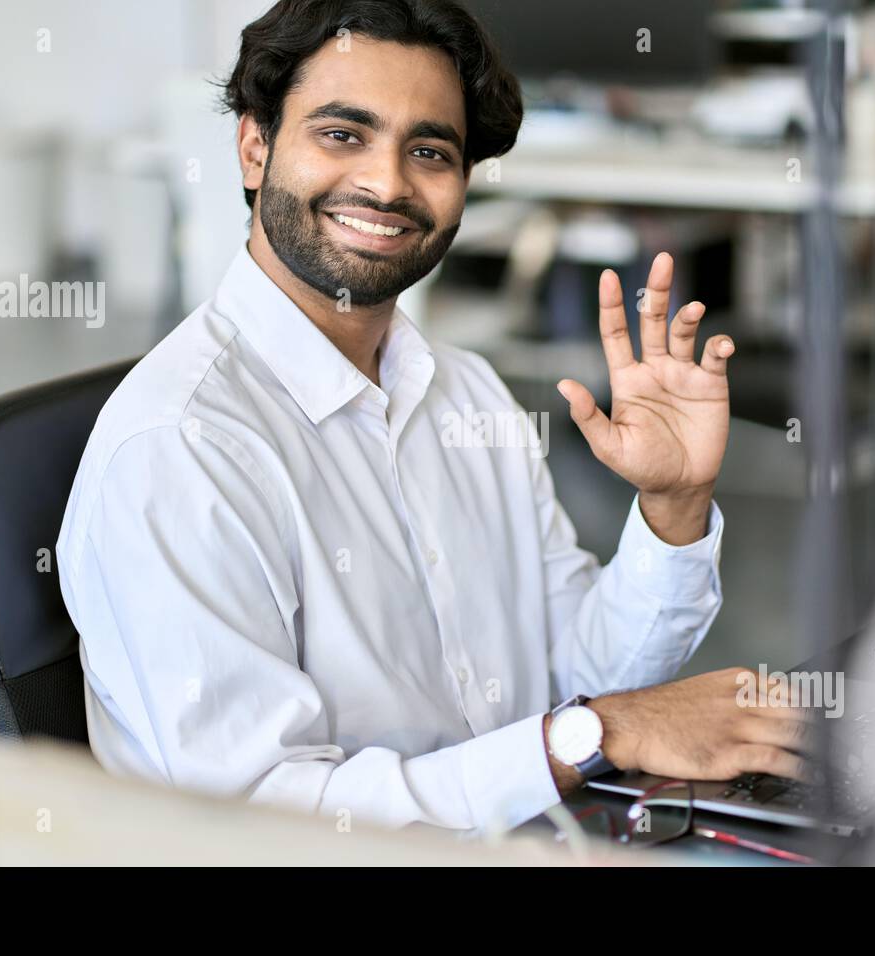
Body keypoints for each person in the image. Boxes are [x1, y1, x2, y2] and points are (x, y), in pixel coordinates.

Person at [57, 0, 814, 835]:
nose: (386, 183)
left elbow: (581, 673)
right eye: (343, 134)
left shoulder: (468, 394)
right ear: (254, 147)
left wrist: (673, 508)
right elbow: (265, 825)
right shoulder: (180, 450)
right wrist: (599, 733)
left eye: (428, 151)